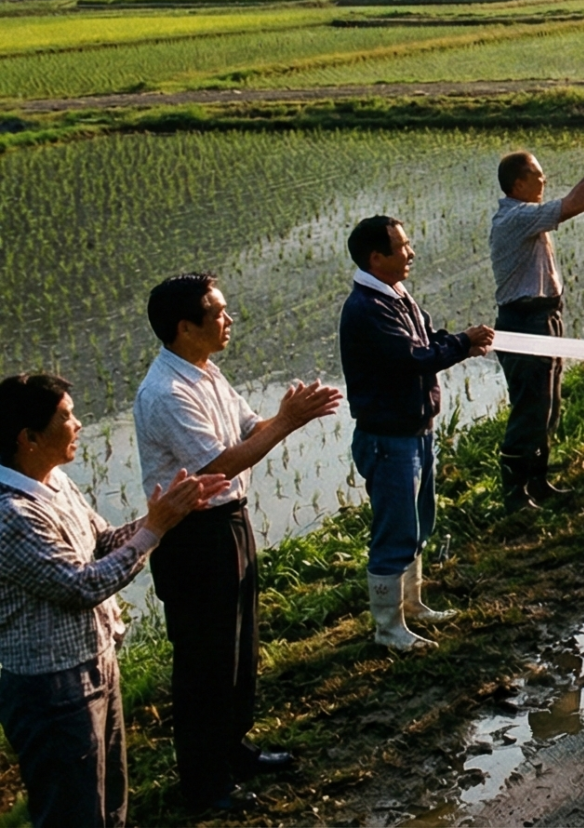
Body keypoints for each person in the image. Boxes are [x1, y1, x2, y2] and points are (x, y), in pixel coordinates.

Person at [132, 277, 339, 812]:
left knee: (240, 649)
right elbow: (219, 465)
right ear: (185, 328)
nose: (229, 321)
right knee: (205, 662)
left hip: (230, 524)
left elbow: (249, 429)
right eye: (218, 314)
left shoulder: (205, 372)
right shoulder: (167, 393)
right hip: (195, 535)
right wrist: (288, 423)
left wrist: (291, 414)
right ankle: (205, 784)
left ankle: (233, 749)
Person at [0, 374, 226, 828]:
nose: (79, 424)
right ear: (28, 438)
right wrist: (154, 530)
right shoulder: (12, 515)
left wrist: (165, 516)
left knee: (112, 801)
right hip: (52, 687)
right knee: (73, 812)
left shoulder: (56, 483)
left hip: (97, 662)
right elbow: (82, 585)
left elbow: (102, 543)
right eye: (66, 417)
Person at [339, 216, 494, 651]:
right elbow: (412, 357)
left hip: (416, 430)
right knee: (395, 531)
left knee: (418, 523)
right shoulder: (367, 309)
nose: (410, 253)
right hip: (389, 438)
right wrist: (462, 344)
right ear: (376, 257)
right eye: (402, 247)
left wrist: (462, 341)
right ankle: (388, 629)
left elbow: (428, 338)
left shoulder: (396, 297)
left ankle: (414, 605)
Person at [489, 131, 584, 509]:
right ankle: (515, 492)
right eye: (537, 175)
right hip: (524, 322)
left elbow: (578, 201)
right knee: (530, 405)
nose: (544, 179)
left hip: (545, 317)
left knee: (548, 404)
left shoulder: (525, 215)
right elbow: (575, 204)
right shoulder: (515, 218)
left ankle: (538, 481)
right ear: (518, 184)